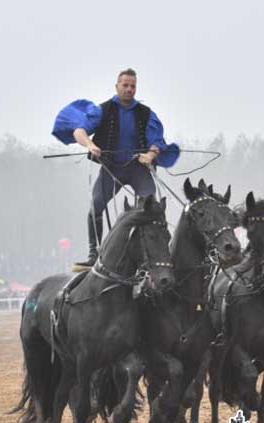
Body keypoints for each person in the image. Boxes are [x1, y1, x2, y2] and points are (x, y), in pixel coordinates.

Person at [52, 68, 179, 271]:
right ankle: (94, 253)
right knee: (96, 205)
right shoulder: (102, 110)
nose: (129, 89)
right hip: (112, 169)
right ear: (117, 86)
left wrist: (150, 155)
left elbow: (157, 142)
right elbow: (79, 130)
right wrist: (90, 145)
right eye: (125, 85)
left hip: (138, 170)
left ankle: (156, 255)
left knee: (150, 207)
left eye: (133, 86)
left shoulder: (146, 114)